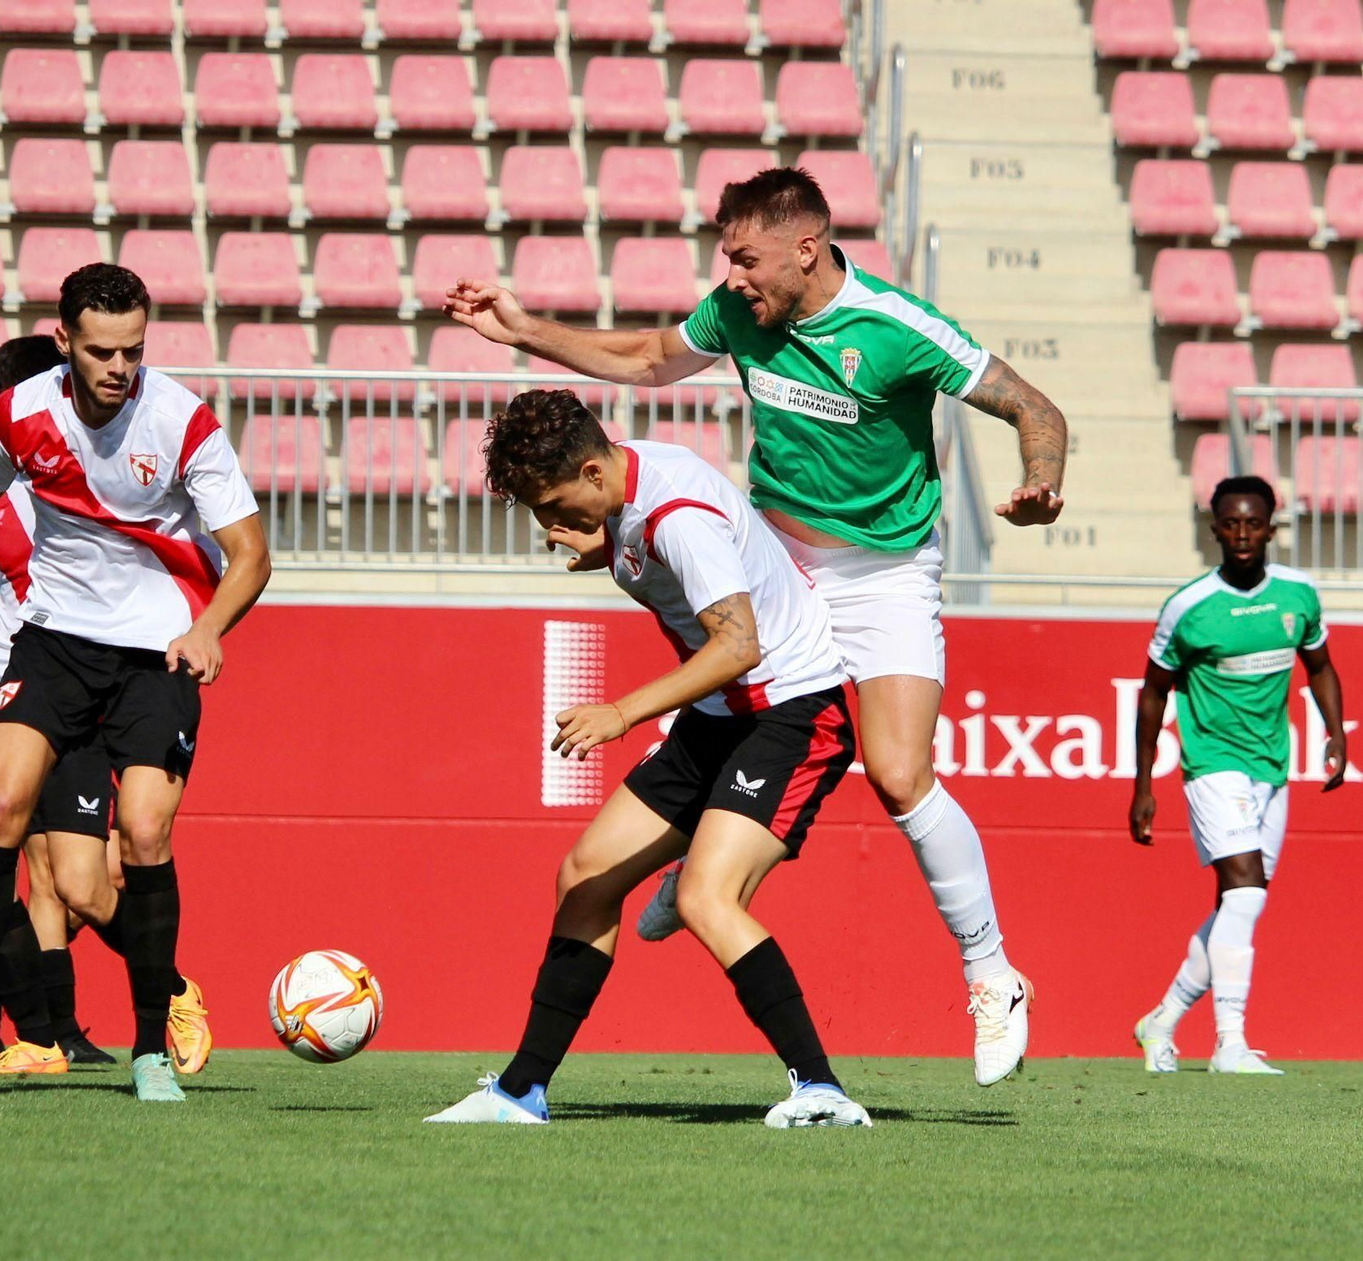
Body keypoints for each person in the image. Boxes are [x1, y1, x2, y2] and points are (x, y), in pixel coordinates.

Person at [443, 167, 1069, 1085]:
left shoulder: (897, 328)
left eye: (746, 258)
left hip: (884, 571)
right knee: (747, 706)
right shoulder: (743, 312)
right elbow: (651, 358)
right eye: (727, 257)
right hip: (777, 552)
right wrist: (525, 328)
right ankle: (707, 871)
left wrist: (1042, 479)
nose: (731, 277)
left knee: (897, 770)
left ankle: (990, 971)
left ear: (806, 249)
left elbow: (1033, 406)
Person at [427, 390, 868, 1127]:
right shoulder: (633, 490)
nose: (549, 524)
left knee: (706, 899)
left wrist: (622, 711)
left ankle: (821, 1089)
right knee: (584, 878)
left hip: (790, 713)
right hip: (721, 714)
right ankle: (520, 1093)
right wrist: (605, 547)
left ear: (595, 471)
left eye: (554, 502)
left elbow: (739, 644)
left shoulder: (677, 518)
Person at [0, 264, 272, 1101]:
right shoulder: (21, 412)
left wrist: (209, 628)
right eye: (102, 350)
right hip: (53, 644)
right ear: (64, 339)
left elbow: (250, 555)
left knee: (143, 835)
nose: (119, 366)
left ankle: (150, 1045)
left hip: (158, 652)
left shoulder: (182, 421)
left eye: (133, 350)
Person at [1129, 476, 1345, 1075]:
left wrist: (1335, 730)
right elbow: (1152, 694)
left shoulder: (1299, 595)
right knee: (1246, 891)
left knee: (1237, 903)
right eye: (1231, 523)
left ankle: (1162, 1022)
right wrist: (1144, 784)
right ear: (1215, 530)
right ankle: (1230, 1043)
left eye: (1253, 523)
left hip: (1272, 767)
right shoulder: (1188, 606)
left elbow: (1320, 666)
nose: (1243, 533)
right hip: (1212, 765)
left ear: (1271, 527)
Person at [0, 335, 122, 1067]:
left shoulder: (83, 489)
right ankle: (31, 1025)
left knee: (67, 878)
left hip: (58, 689)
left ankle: (68, 1019)